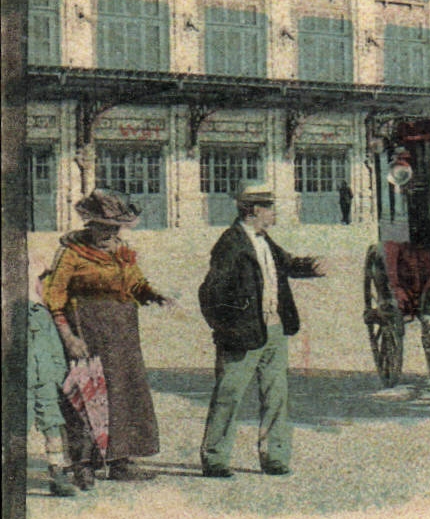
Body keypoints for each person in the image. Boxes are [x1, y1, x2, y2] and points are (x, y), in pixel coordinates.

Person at [41, 189, 174, 487]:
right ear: (90, 224)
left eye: (114, 228)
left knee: (124, 395)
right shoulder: (71, 253)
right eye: (103, 227)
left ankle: (120, 461)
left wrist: (153, 295)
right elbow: (54, 298)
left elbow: (135, 282)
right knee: (85, 395)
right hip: (87, 332)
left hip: (122, 334)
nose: (109, 233)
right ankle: (83, 464)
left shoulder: (121, 250)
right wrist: (68, 337)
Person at [198, 183, 329, 477]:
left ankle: (275, 456)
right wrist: (228, 330)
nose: (274, 213)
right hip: (243, 336)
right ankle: (215, 457)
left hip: (274, 330)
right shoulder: (230, 244)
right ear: (255, 210)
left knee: (276, 395)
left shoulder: (265, 240)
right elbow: (210, 294)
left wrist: (311, 267)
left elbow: (287, 264)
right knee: (229, 394)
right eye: (269, 208)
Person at [29, 265, 78, 497]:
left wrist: (59, 375)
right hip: (19, 384)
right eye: (40, 282)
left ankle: (57, 473)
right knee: (16, 427)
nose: (43, 288)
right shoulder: (10, 312)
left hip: (46, 381)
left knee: (53, 425)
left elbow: (55, 348)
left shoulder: (42, 313)